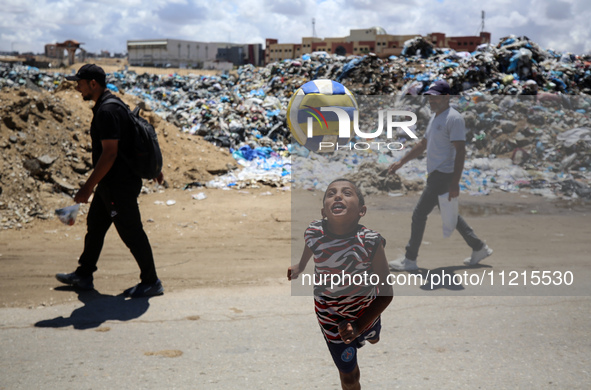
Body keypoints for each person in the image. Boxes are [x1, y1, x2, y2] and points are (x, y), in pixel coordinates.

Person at [55, 64, 164, 298]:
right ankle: (83, 275)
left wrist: (87, 187)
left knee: (131, 232)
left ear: (93, 84)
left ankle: (151, 281)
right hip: (110, 184)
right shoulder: (111, 104)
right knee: (94, 227)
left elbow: (110, 153)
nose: (77, 87)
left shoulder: (107, 111)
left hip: (119, 186)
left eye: (80, 83)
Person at [288, 179, 392, 390]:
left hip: (365, 309)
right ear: (323, 212)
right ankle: (358, 340)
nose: (337, 196)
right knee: (349, 378)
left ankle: (370, 332)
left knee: (373, 337)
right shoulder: (313, 231)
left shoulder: (371, 242)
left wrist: (359, 326)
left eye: (347, 193)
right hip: (330, 316)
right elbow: (312, 245)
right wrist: (300, 265)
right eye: (331, 193)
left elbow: (387, 293)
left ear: (361, 210)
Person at [388, 80, 492, 271]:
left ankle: (410, 259)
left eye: (435, 97)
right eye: (430, 97)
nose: (431, 100)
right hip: (436, 174)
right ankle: (479, 247)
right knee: (449, 213)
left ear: (446, 97)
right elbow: (423, 144)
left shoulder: (454, 119)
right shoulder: (436, 117)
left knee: (419, 215)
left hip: (443, 175)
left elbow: (460, 151)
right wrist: (401, 162)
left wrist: (455, 182)